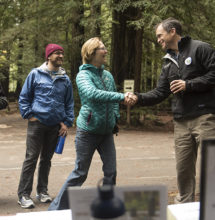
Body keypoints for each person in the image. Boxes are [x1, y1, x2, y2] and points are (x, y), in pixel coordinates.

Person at [48, 37, 135, 210]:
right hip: (87, 132)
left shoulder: (107, 75)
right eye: (102, 48)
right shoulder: (83, 75)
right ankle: (55, 210)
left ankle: (106, 206)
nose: (106, 51)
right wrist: (121, 97)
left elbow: (111, 101)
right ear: (91, 53)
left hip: (106, 133)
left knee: (111, 172)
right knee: (80, 173)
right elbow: (93, 94)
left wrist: (115, 119)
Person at [135, 17, 215, 203]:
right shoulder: (168, 62)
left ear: (172, 32)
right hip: (181, 121)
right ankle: (183, 206)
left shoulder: (200, 48)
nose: (158, 40)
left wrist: (189, 85)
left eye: (159, 35)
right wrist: (137, 98)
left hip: (205, 116)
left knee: (210, 163)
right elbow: (160, 92)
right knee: (183, 168)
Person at [17, 44, 75, 209]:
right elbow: (24, 97)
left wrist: (66, 122)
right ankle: (23, 194)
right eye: (57, 53)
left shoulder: (65, 78)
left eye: (62, 54)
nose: (60, 56)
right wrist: (30, 115)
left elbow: (68, 103)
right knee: (31, 159)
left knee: (46, 160)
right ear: (48, 56)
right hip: (37, 124)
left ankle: (42, 191)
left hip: (55, 126)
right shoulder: (35, 74)